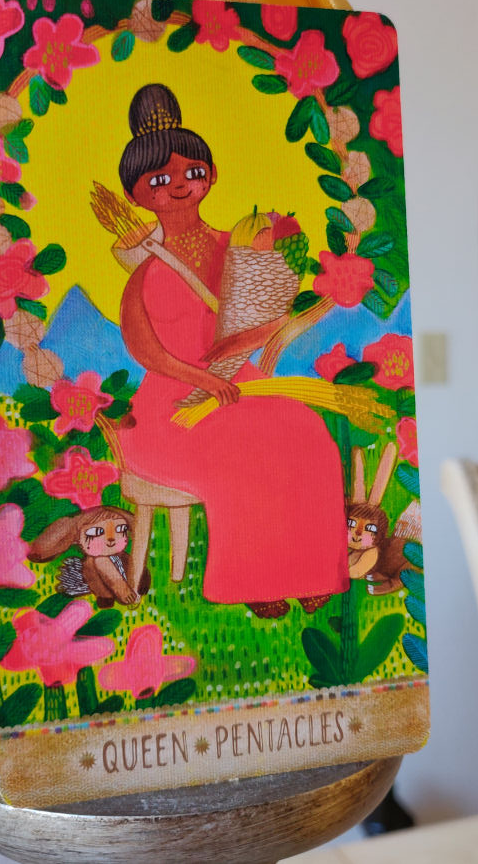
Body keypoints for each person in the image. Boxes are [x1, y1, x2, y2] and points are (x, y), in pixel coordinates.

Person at [116, 83, 348, 618]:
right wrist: (204, 380)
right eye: (160, 180)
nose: (179, 185)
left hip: (239, 387)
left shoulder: (241, 248)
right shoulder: (145, 272)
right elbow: (146, 351)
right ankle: (255, 583)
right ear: (136, 194)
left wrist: (246, 342)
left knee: (307, 430)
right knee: (241, 447)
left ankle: (311, 571)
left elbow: (265, 320)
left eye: (191, 172)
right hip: (173, 409)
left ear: (212, 175)